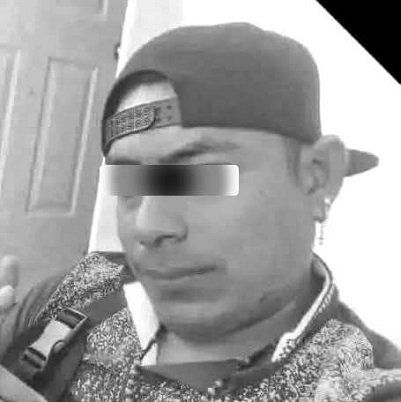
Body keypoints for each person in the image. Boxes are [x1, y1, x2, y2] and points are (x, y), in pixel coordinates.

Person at [1, 22, 401, 402]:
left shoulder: (361, 385)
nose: (148, 226)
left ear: (317, 177)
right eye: (131, 183)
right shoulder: (81, 287)